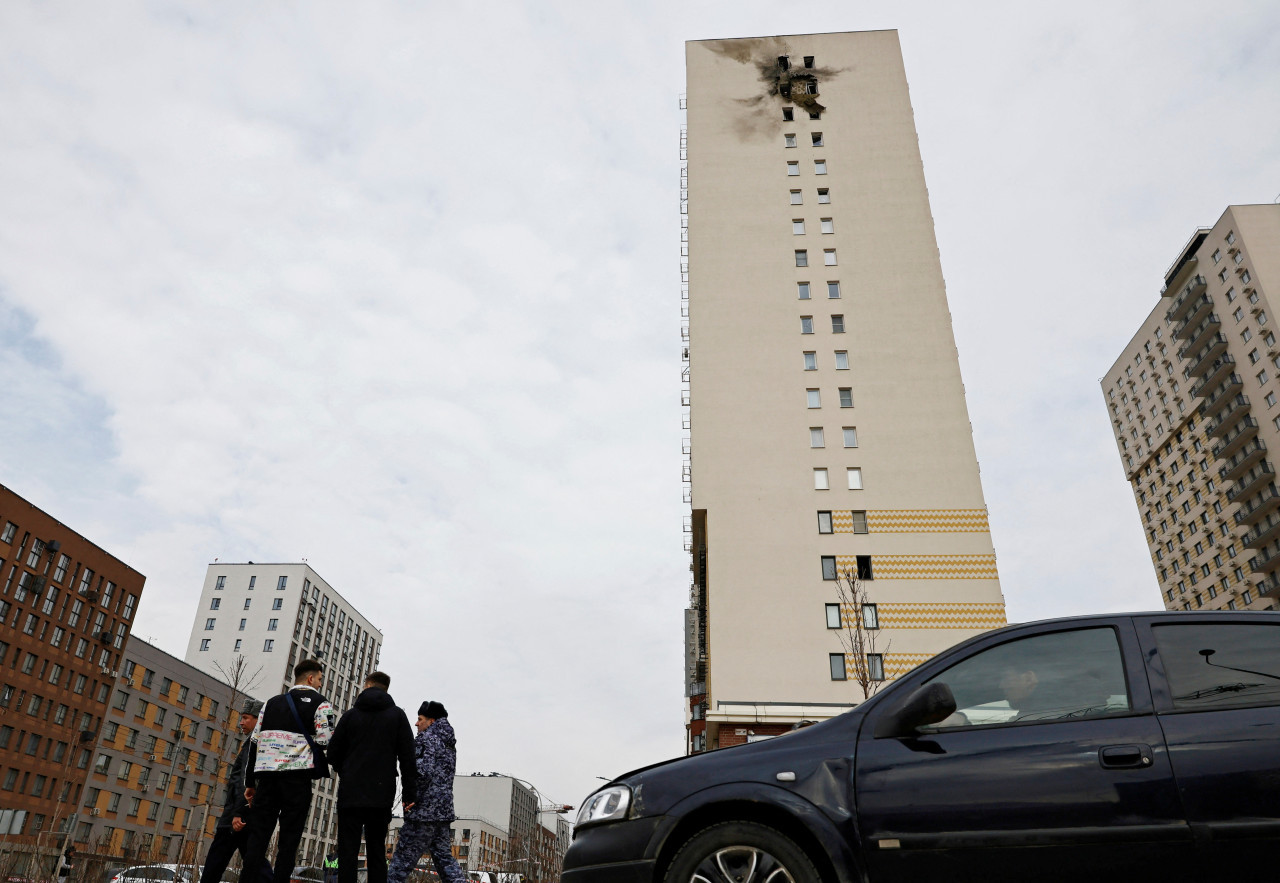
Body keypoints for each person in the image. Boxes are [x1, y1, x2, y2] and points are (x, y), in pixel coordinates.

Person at [242, 659, 336, 883]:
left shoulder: (270, 704)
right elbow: (326, 741)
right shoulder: (321, 704)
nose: (321, 684)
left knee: (257, 839)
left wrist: (250, 783)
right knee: (289, 841)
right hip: (297, 780)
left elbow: (254, 742)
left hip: (267, 780)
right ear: (311, 678)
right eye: (320, 679)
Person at [326, 672, 417, 883]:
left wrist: (346, 769)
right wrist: (409, 794)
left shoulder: (350, 716)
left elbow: (332, 754)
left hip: (350, 793)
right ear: (386, 689)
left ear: (367, 685)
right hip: (381, 793)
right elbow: (407, 759)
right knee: (376, 851)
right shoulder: (397, 717)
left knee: (347, 851)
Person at [386, 701, 464, 883]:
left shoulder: (427, 739)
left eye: (420, 719)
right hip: (442, 812)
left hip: (423, 812)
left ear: (432, 721)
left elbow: (422, 771)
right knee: (445, 860)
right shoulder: (448, 744)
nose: (416, 723)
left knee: (401, 862)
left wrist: (411, 796)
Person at [201, 699, 274, 883]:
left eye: (246, 718)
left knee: (214, 865)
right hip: (244, 815)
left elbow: (245, 781)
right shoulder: (256, 743)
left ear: (259, 720)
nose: (241, 722)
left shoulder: (254, 744)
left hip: (235, 819)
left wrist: (238, 812)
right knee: (256, 864)